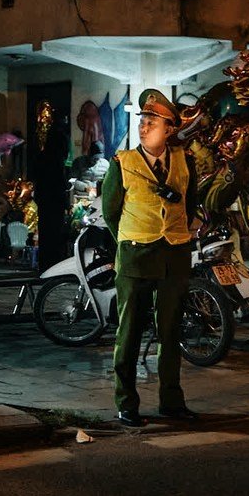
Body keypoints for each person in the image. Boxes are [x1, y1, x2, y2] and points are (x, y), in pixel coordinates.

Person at [99, 88, 199, 428]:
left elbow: (192, 203)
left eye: (152, 121)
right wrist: (128, 240)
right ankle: (126, 403)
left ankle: (172, 402)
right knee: (129, 333)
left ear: (169, 129)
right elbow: (110, 213)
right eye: (142, 121)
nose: (143, 127)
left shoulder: (186, 161)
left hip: (174, 255)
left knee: (170, 333)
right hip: (136, 257)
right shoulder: (123, 163)